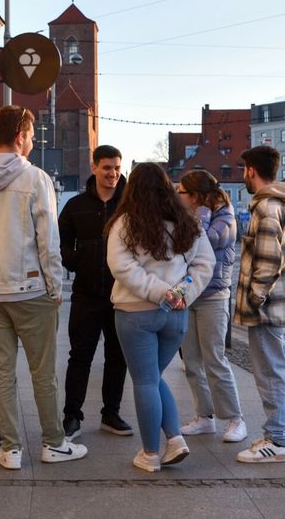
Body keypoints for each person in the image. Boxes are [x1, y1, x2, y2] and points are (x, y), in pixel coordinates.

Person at [0, 105, 87, 470]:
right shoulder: (35, 179)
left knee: (1, 371)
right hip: (32, 290)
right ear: (20, 137)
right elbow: (48, 239)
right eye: (31, 135)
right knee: (43, 372)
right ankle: (53, 442)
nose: (32, 141)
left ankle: (11, 448)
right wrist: (55, 284)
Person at [106, 163, 214, 472]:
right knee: (154, 377)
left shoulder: (126, 223)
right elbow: (204, 265)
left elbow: (122, 266)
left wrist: (158, 292)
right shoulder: (186, 222)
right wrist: (181, 292)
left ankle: (150, 454)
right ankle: (176, 438)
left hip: (135, 313)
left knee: (144, 381)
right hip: (176, 316)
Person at [59, 145, 132, 441]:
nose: (112, 173)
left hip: (122, 295)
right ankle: (72, 415)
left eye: (116, 167)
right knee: (80, 356)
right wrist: (79, 261)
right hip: (86, 293)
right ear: (94, 167)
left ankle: (111, 413)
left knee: (118, 357)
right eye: (107, 167)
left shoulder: (129, 206)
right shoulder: (76, 206)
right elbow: (61, 245)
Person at [234, 146, 285, 464]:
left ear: (251, 170)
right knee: (284, 371)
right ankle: (284, 436)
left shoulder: (266, 208)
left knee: (270, 373)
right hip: (283, 308)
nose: (243, 175)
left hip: (267, 309)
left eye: (244, 169)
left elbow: (268, 262)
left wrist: (254, 298)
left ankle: (275, 440)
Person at [176, 170, 248, 443]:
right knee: (192, 361)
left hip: (213, 296)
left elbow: (204, 241)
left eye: (182, 192)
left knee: (215, 360)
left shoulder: (224, 217)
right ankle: (204, 417)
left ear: (195, 197)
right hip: (189, 294)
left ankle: (235, 419)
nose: (177, 196)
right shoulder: (187, 215)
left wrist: (202, 214)